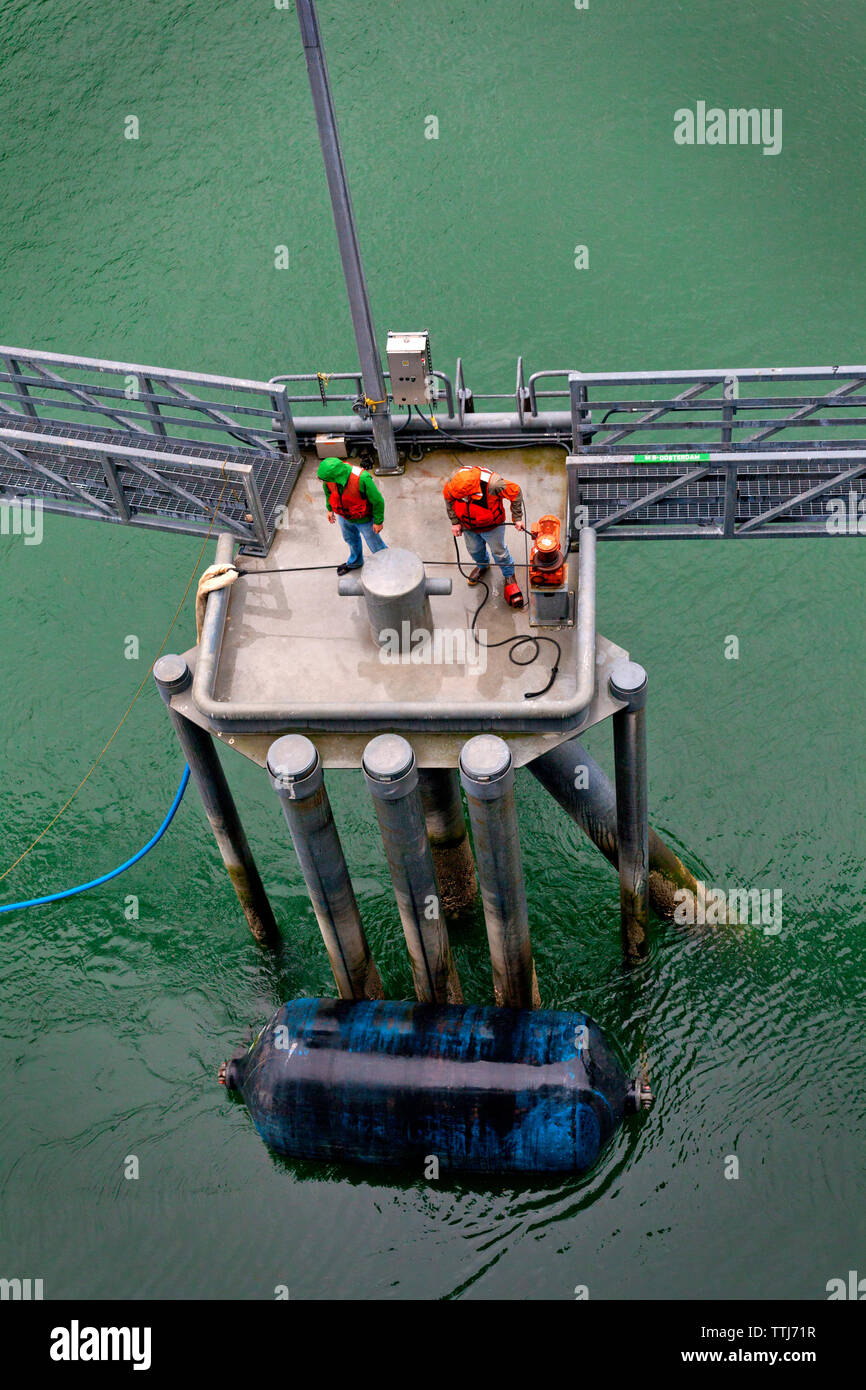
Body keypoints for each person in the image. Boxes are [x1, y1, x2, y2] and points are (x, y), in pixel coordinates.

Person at [443, 464, 526, 607]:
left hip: (492, 526)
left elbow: (515, 491)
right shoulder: (454, 483)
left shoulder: (493, 484)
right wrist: (455, 522)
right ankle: (482, 566)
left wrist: (517, 518)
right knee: (474, 550)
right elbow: (448, 499)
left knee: (500, 553)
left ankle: (509, 575)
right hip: (468, 526)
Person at [317, 457, 387, 576]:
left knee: (375, 544)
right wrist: (330, 510)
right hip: (344, 517)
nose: (323, 481)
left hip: (364, 520)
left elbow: (377, 501)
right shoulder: (329, 480)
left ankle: (388, 564)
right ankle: (355, 562)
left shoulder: (362, 478)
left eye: (325, 479)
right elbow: (329, 493)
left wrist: (378, 521)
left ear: (335, 477)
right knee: (351, 540)